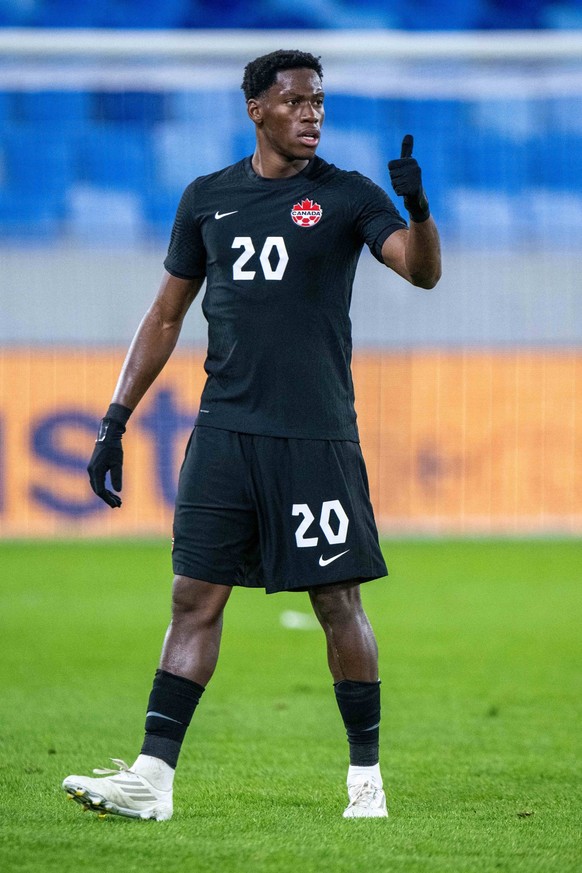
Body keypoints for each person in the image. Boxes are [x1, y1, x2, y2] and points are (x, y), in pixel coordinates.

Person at [62, 49, 441, 821]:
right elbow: (166, 315)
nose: (313, 115)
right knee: (192, 598)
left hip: (315, 438)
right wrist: (114, 420)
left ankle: (364, 778)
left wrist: (421, 211)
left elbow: (420, 271)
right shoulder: (208, 199)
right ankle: (152, 777)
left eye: (320, 104)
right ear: (257, 109)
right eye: (298, 102)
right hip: (226, 433)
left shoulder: (347, 195)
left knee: (337, 602)